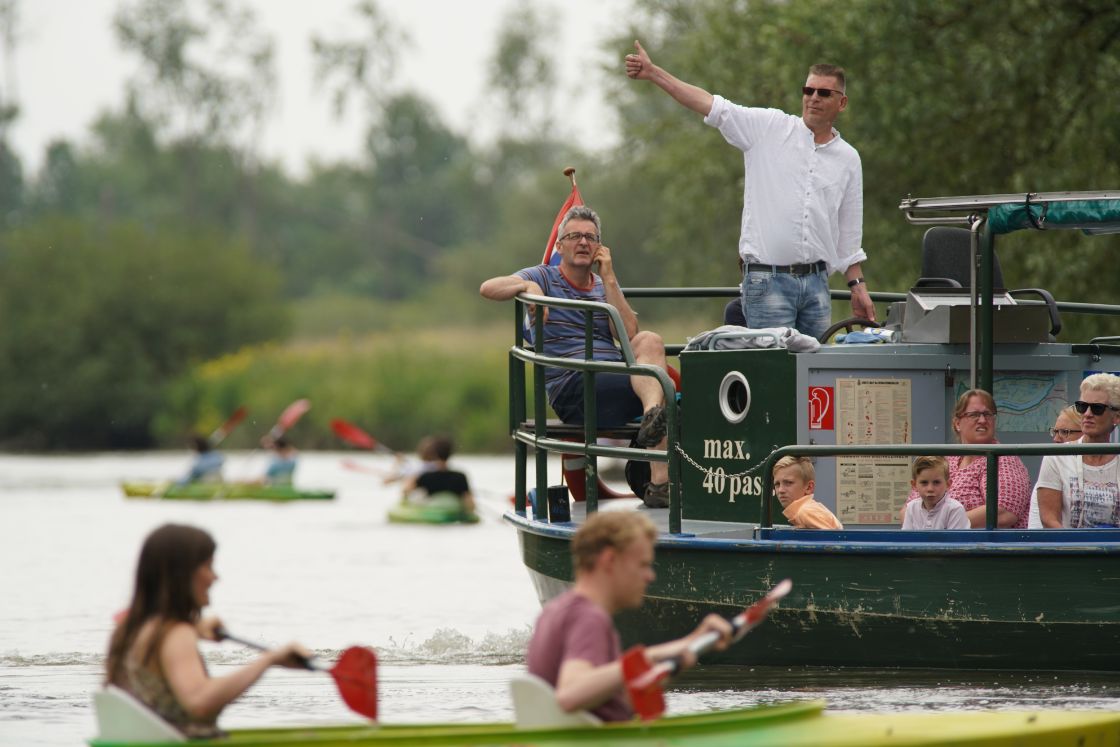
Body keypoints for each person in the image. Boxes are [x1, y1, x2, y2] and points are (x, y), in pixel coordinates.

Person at [624, 41, 873, 341]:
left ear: (841, 103)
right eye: (808, 91)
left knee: (813, 380)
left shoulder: (848, 158)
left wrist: (857, 286)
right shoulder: (769, 128)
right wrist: (654, 73)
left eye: (824, 92)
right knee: (771, 375)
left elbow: (849, 233)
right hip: (767, 281)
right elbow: (711, 105)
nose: (813, 98)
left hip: (817, 286)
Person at [480, 205, 673, 509]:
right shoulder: (541, 276)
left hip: (615, 380)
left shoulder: (602, 286)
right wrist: (527, 287)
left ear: (599, 247)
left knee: (650, 340)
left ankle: (654, 434)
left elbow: (629, 333)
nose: (583, 242)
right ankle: (656, 437)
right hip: (574, 385)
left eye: (590, 237)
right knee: (661, 386)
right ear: (560, 246)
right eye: (575, 236)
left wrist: (609, 279)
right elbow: (488, 287)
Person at [104, 524, 309, 738]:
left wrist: (196, 629)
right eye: (208, 567)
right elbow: (199, 701)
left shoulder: (130, 628)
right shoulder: (175, 634)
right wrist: (269, 660)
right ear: (182, 574)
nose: (215, 578)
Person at [525, 511, 733, 720]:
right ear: (610, 560)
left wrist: (685, 649)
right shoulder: (589, 618)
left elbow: (610, 703)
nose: (650, 576)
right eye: (642, 565)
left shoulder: (553, 612)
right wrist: (651, 656)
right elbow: (570, 694)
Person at [903, 389, 1031, 528]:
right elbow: (907, 511)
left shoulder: (1003, 458)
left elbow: (1004, 512)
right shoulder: (947, 460)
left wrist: (939, 524)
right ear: (957, 423)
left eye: (987, 414)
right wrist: (935, 525)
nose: (982, 420)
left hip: (988, 546)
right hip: (941, 543)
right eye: (974, 415)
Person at [1036, 374, 1120, 528]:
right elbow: (1049, 519)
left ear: (1116, 417)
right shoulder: (1056, 457)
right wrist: (1074, 548)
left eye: (1097, 408)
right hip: (1071, 549)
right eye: (1082, 406)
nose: (1087, 414)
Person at [1027, 406, 1083, 529]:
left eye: (1064, 432)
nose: (1056, 439)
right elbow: (1037, 527)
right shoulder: (1051, 468)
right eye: (1055, 431)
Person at [402, 434, 476, 514]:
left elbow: (406, 491)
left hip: (432, 510)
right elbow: (470, 503)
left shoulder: (426, 477)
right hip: (453, 510)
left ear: (433, 453)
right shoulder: (460, 477)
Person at [772, 455, 843, 529]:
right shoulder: (805, 510)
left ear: (809, 487)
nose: (780, 490)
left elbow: (832, 539)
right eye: (777, 484)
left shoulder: (806, 512)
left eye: (788, 482)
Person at [901, 456, 970, 530]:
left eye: (936, 482)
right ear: (914, 485)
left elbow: (956, 541)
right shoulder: (911, 508)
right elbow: (907, 540)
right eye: (924, 482)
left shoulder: (955, 509)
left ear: (948, 484)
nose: (930, 489)